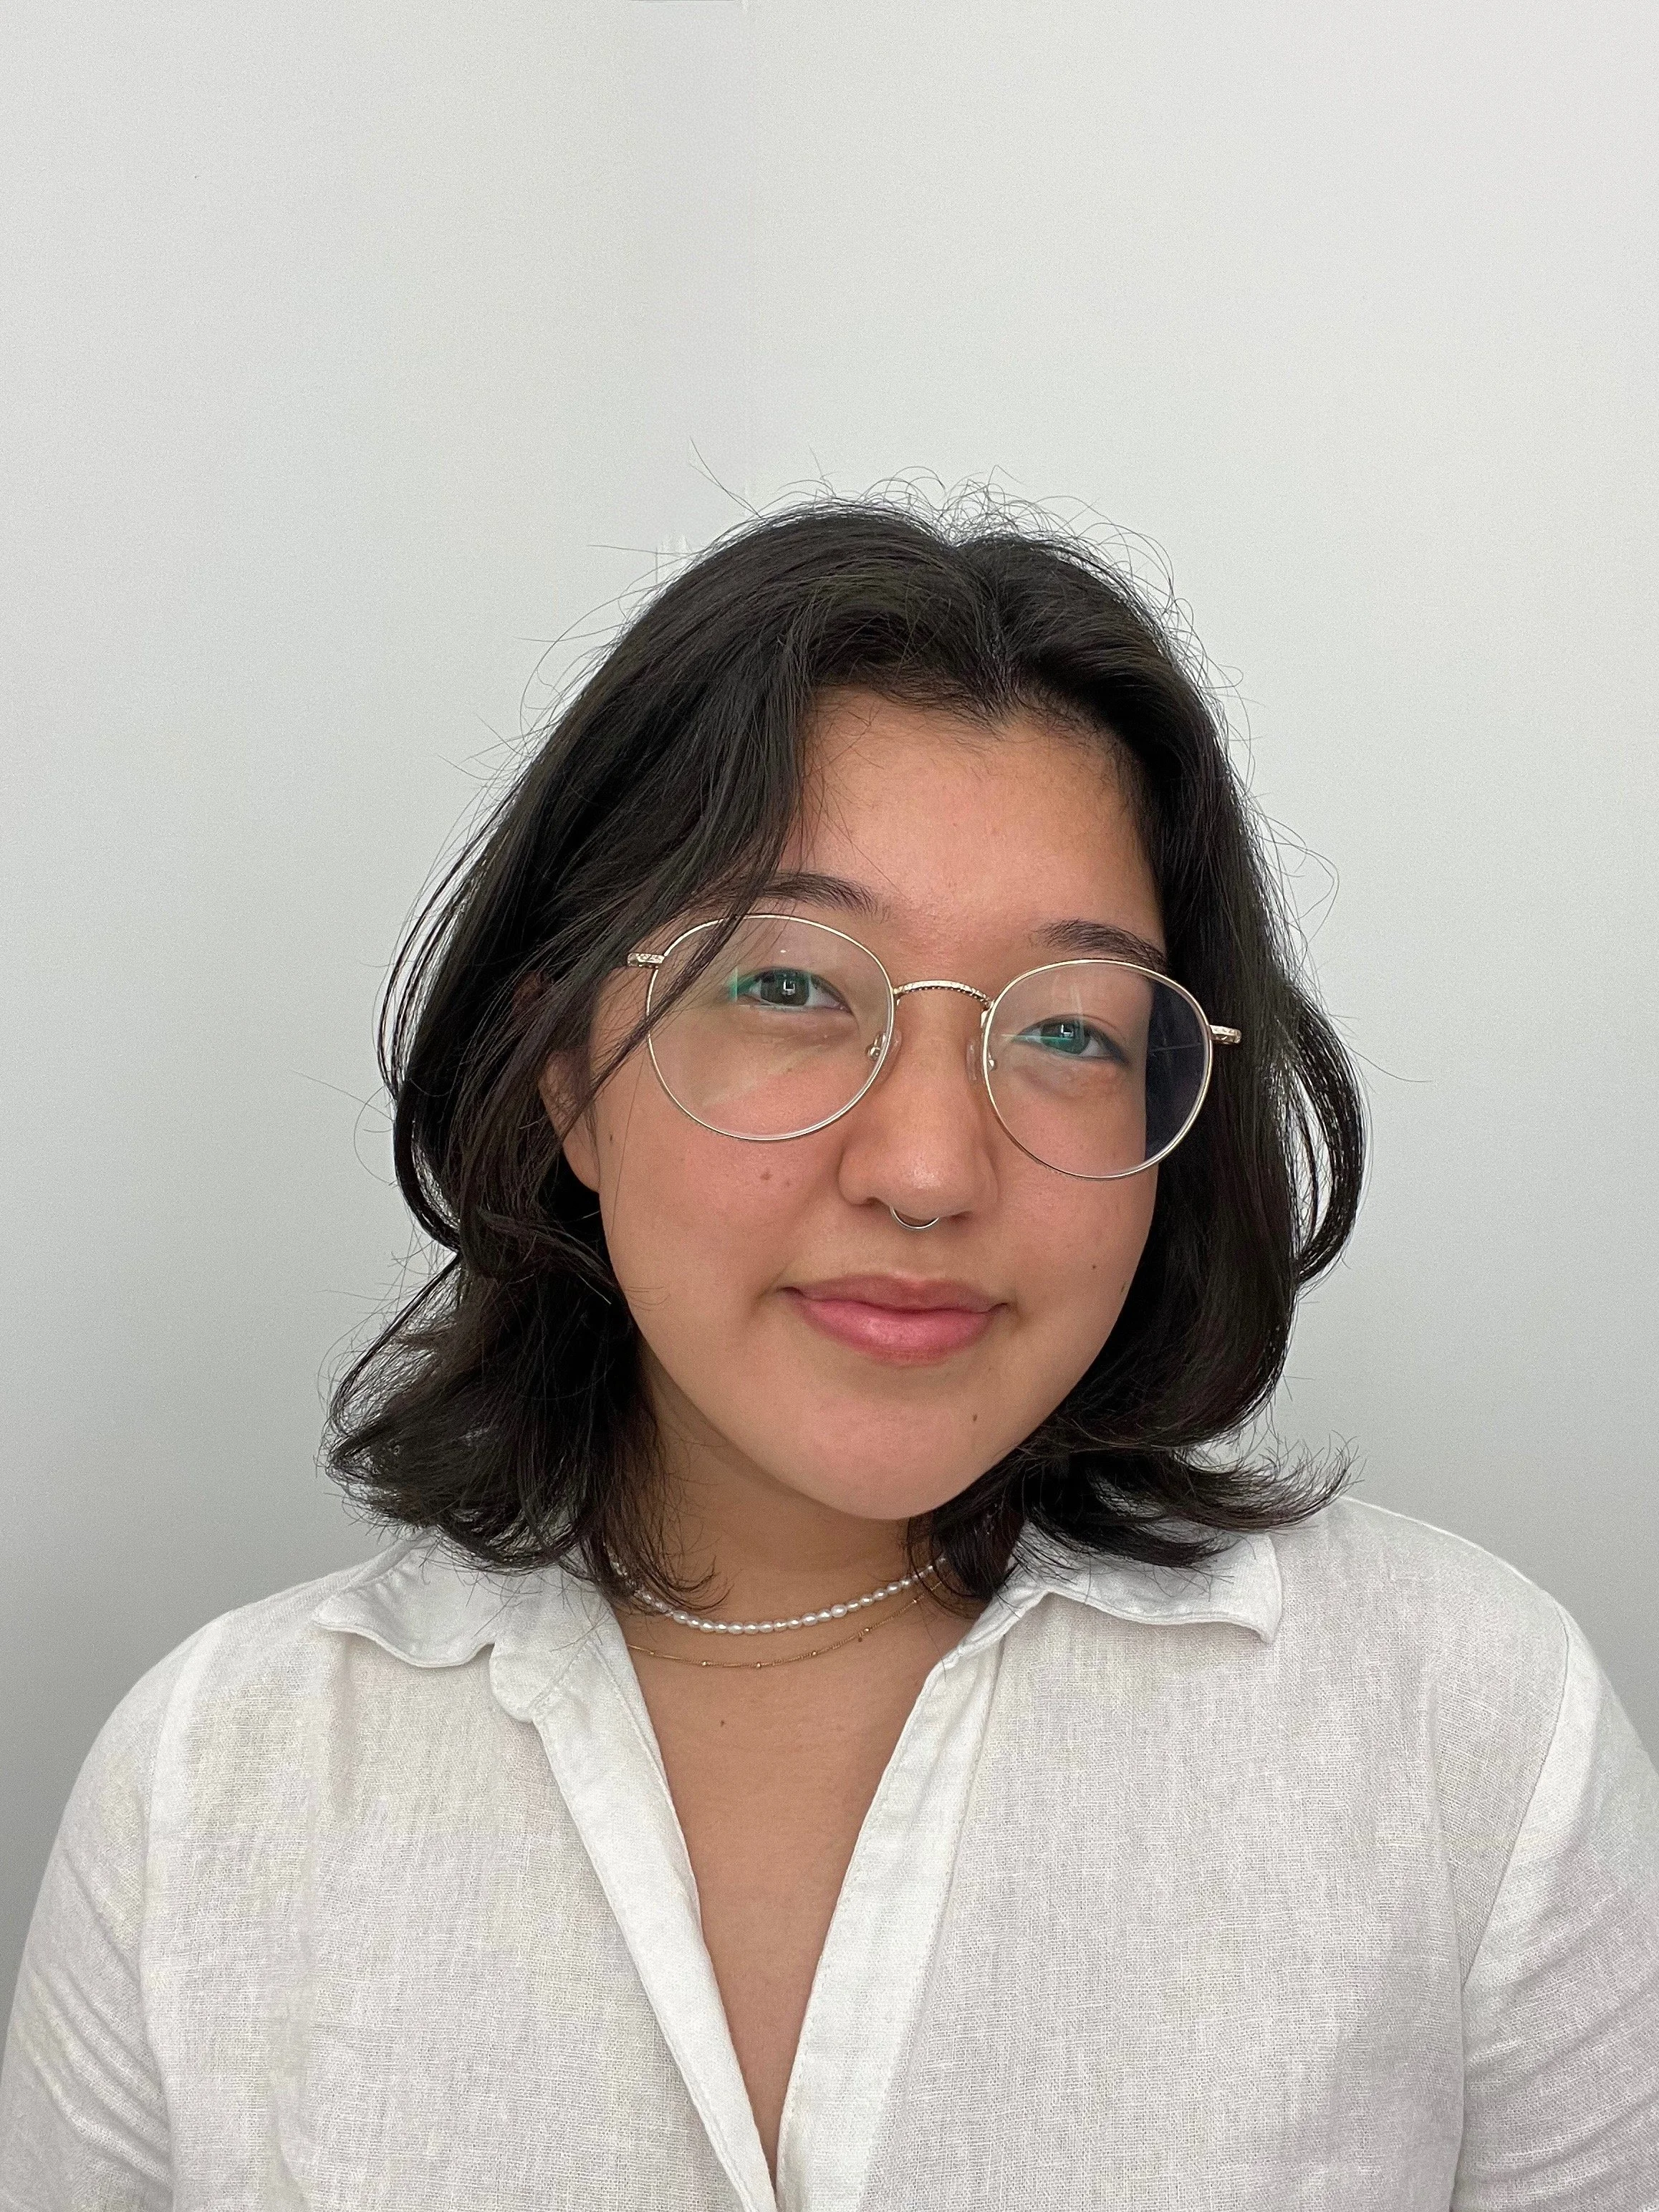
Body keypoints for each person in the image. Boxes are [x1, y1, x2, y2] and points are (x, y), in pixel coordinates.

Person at [4, 496, 1656, 2211]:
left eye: (1073, 1027)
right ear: (566, 1068)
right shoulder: (213, 1791)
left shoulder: (1467, 1735)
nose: (931, 1168)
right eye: (793, 989)